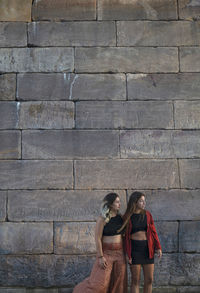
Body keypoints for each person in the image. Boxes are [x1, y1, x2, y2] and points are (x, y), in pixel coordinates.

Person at [73, 192, 127, 293]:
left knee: (119, 282)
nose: (119, 204)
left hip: (120, 253)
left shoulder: (121, 218)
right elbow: (97, 238)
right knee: (99, 284)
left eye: (120, 202)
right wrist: (100, 257)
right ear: (110, 204)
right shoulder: (102, 219)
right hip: (107, 254)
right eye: (117, 202)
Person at [119, 191, 162, 293]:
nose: (144, 203)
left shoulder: (147, 214)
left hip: (148, 249)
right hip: (134, 250)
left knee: (149, 279)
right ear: (135, 202)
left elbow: (153, 232)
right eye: (141, 201)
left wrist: (158, 247)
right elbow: (123, 238)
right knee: (135, 280)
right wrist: (126, 253)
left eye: (144, 201)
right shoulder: (127, 217)